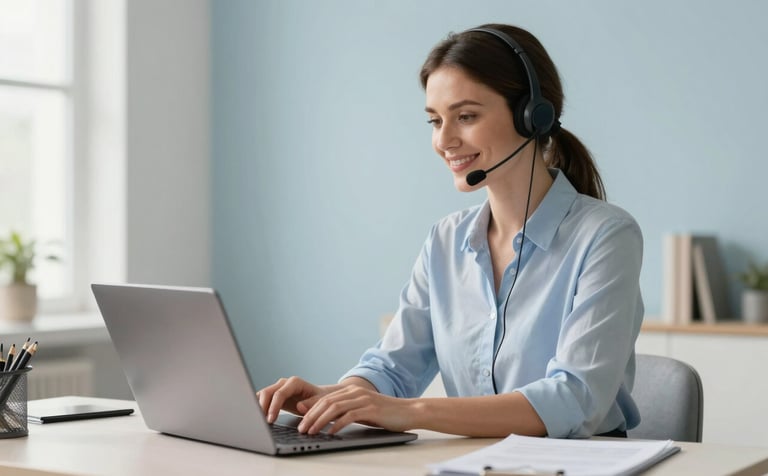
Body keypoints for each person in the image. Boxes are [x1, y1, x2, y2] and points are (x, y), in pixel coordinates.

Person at [257, 23, 644, 439]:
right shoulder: (445, 241)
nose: (444, 140)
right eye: (435, 121)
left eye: (466, 116)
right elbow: (393, 366)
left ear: (533, 116)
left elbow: (575, 399)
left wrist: (412, 412)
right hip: (474, 463)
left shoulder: (605, 236)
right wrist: (337, 397)